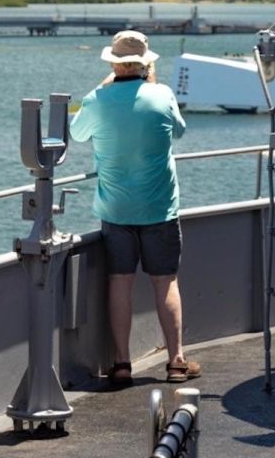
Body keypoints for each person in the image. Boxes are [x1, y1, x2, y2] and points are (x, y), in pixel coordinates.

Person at [69, 30, 201, 386]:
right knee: (166, 283)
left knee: (120, 284)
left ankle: (122, 363)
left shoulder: (97, 99)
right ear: (146, 64)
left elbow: (77, 134)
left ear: (112, 63)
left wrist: (105, 88)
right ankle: (176, 361)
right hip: (160, 208)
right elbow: (179, 132)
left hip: (116, 210)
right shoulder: (162, 95)